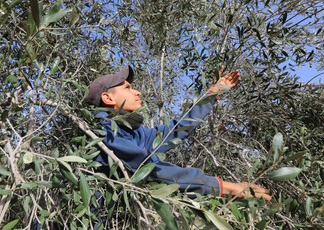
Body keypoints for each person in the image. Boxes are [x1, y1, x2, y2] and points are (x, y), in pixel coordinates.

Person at [86, 65, 271, 203]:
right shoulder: (104, 133)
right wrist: (225, 187)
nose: (137, 91)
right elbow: (151, 170)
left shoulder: (133, 132)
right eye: (127, 87)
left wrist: (210, 95)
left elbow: (173, 131)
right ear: (108, 98)